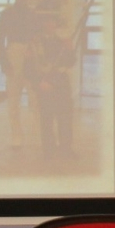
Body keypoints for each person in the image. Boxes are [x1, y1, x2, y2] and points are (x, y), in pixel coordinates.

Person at [0, 0, 39, 148]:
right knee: (13, 99)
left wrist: (34, 54)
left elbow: (38, 37)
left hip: (31, 54)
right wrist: (4, 62)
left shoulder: (33, 14)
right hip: (13, 54)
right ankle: (16, 135)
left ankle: (38, 134)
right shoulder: (6, 13)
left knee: (35, 98)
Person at [27, 11, 77, 157]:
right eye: (47, 21)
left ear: (56, 23)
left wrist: (70, 49)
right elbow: (28, 67)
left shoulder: (62, 41)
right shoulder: (34, 43)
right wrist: (39, 83)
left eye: (52, 21)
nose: (50, 24)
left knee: (65, 118)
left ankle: (66, 149)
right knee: (46, 119)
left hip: (61, 84)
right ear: (42, 24)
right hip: (44, 84)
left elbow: (70, 62)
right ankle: (49, 150)